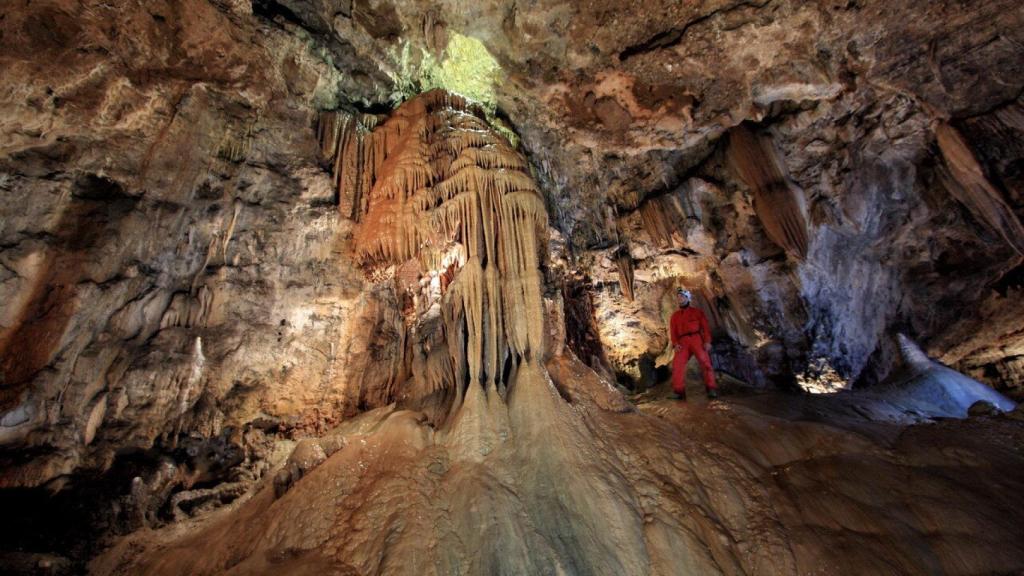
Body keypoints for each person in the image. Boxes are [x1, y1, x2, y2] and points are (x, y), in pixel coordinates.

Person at [669, 289, 718, 400]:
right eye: (678, 296)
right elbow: (673, 332)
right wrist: (675, 343)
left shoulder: (697, 312)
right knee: (677, 365)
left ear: (687, 298)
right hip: (682, 342)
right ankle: (679, 391)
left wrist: (707, 341)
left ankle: (711, 388)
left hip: (697, 339)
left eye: (682, 296)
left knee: (705, 362)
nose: (679, 298)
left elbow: (705, 328)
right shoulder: (675, 316)